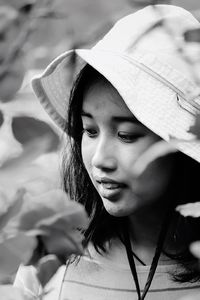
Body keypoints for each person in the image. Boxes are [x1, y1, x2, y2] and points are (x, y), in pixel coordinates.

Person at [14, 4, 200, 300]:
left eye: (126, 135)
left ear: (179, 146)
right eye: (89, 131)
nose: (100, 159)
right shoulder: (50, 261)